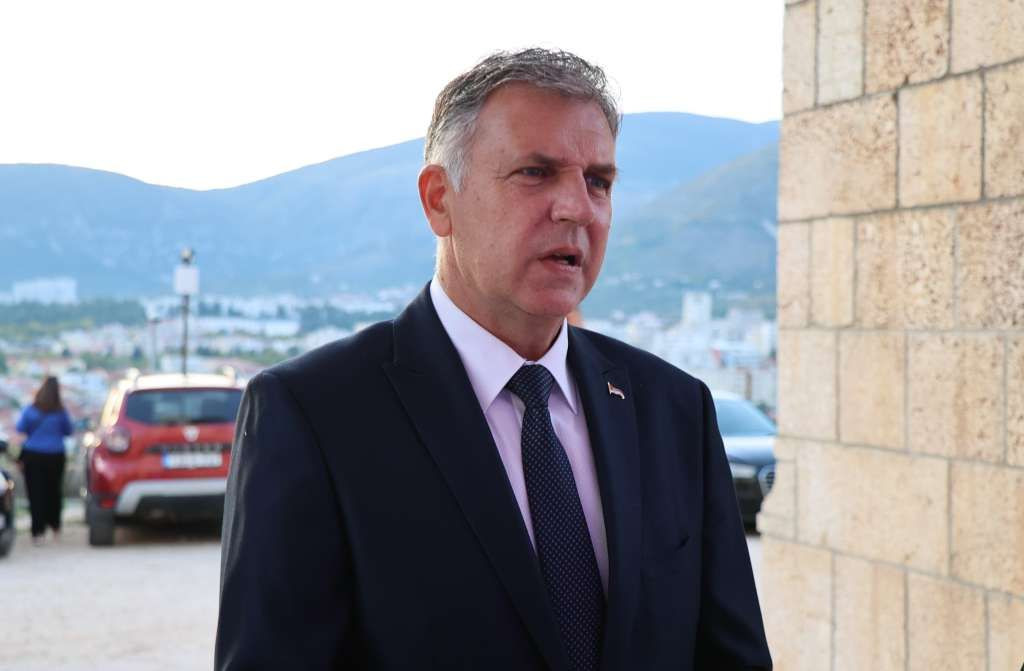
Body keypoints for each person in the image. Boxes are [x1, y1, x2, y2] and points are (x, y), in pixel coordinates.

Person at [216, 49, 771, 670]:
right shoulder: (314, 415)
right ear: (439, 200)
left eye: (599, 181)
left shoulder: (674, 409)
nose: (578, 208)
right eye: (536, 172)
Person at [16, 376, 73, 545]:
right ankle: (55, 526)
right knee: (54, 491)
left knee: (35, 493)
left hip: (33, 454)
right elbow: (68, 431)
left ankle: (37, 532)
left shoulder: (30, 409)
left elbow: (21, 428)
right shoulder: (60, 411)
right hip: (55, 455)